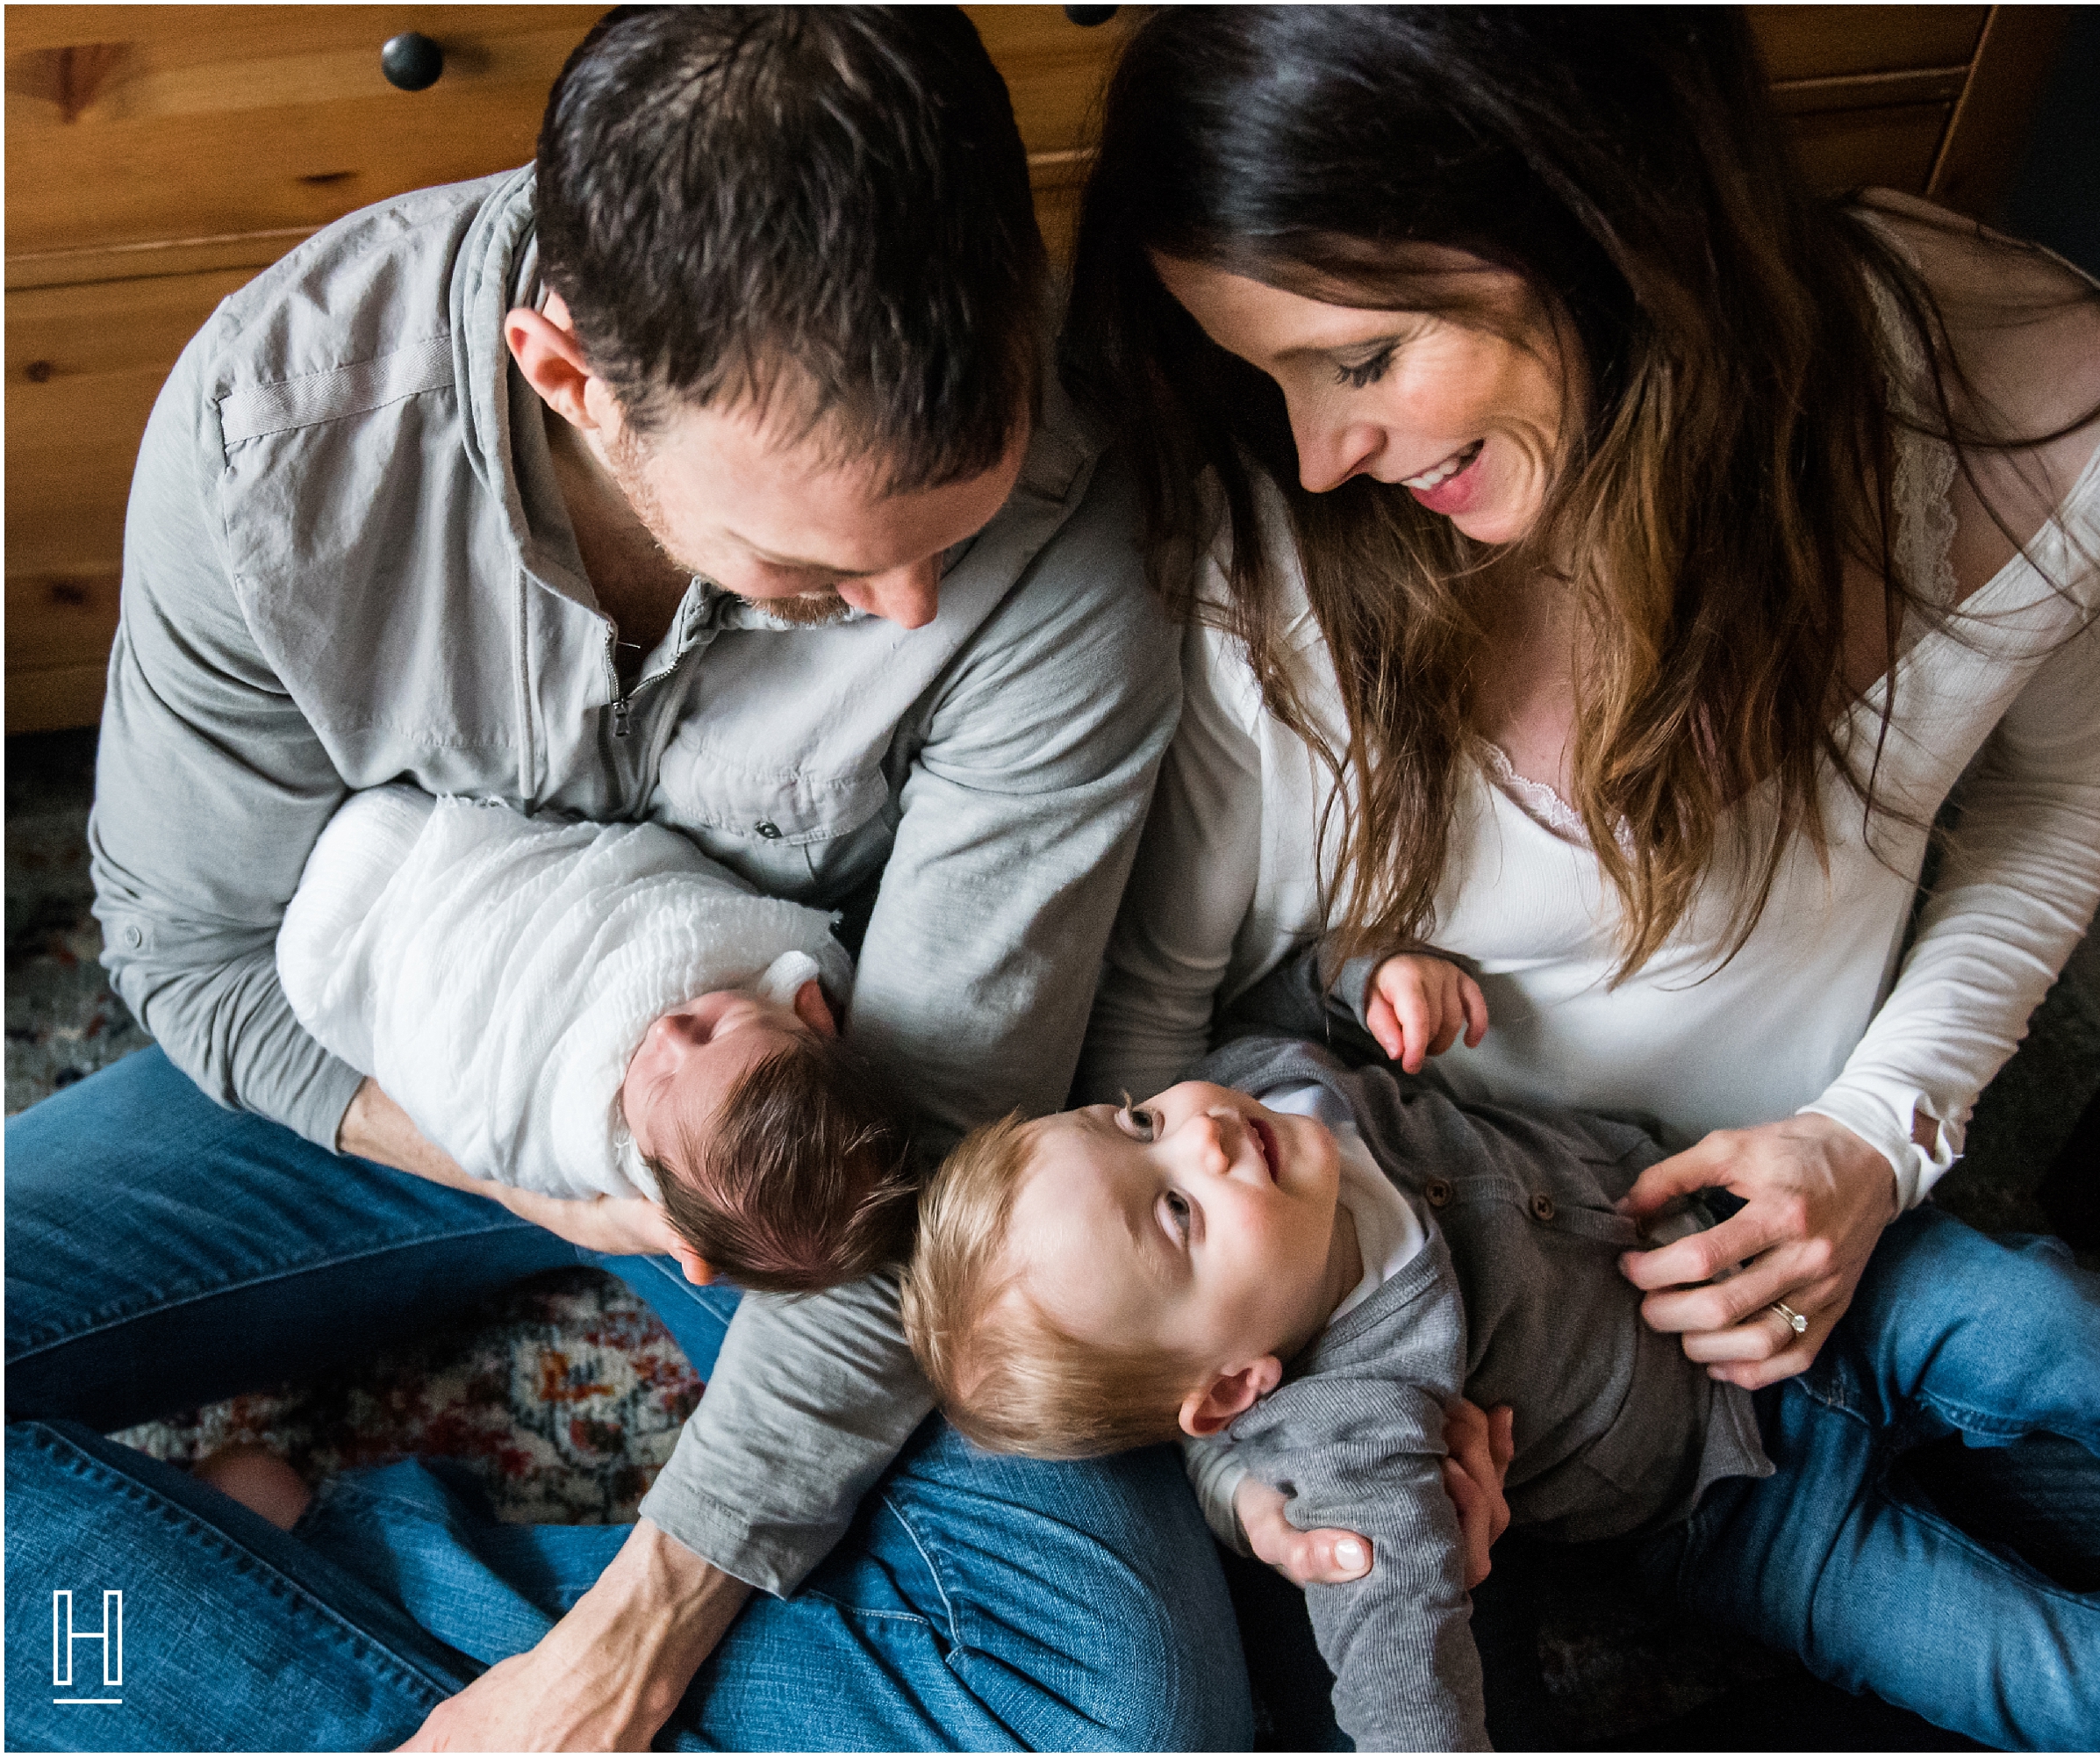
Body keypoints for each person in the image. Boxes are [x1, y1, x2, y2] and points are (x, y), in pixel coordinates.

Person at [4, 11, 1241, 1749]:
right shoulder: (281, 437)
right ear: (564, 370)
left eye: (945, 540)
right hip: (413, 1057)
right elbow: (195, 955)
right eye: (818, 565)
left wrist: (637, 1632)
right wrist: (547, 1171)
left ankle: (289, 1598)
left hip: (825, 1152)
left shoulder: (1077, 507)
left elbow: (945, 1130)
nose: (907, 614)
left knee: (1121, 1712)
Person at [1066, 4, 2100, 1543]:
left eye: (1367, 357)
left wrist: (1873, 1136)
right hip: (1464, 1326)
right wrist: (1249, 1460)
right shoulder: (1269, 530)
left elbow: (2048, 812)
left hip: (1819, 1235)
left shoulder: (2085, 426)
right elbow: (1149, 1032)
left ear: (1599, 211)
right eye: (1272, 379)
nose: (1321, 451)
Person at [907, 948, 2100, 1751]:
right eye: (1176, 1211)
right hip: (1742, 1516)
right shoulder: (1341, 1432)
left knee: (2063, 1328)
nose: (1202, 1132)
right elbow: (1400, 1670)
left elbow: (1293, 978)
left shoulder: (1275, 1082)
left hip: (1796, 1271)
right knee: (2063, 1684)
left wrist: (1375, 974)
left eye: (1136, 1120)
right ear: (1237, 1382)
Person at [276, 782, 918, 1292]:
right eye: (717, 1027)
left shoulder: (589, 1146)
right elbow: (651, 888)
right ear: (810, 1012)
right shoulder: (779, 964)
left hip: (359, 958)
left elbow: (491, 1129)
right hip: (431, 865)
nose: (668, 1033)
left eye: (663, 1082)